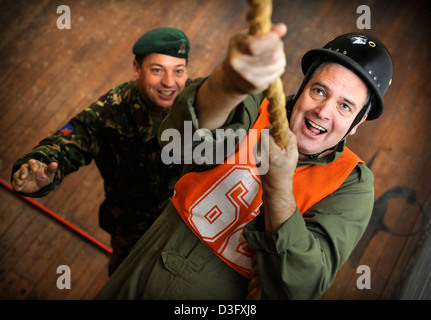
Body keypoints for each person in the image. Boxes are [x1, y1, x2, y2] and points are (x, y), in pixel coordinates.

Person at [95, 23, 393, 299]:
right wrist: (230, 82)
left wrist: (278, 189)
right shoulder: (257, 104)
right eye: (319, 91)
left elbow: (302, 286)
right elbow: (176, 141)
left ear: (358, 121)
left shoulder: (351, 184)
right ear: (303, 86)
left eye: (345, 106)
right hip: (141, 271)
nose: (323, 111)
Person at [11, 27, 191, 275]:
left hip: (186, 221)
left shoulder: (200, 102)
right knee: (124, 277)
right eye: (157, 70)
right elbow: (70, 138)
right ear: (137, 68)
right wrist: (40, 163)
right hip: (132, 226)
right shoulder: (111, 110)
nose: (170, 82)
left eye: (178, 71)